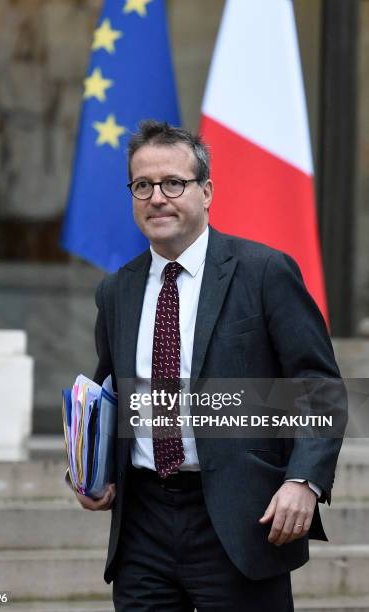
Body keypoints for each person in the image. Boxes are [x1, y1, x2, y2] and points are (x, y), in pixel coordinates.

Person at [73, 120, 345, 611]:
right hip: (143, 528)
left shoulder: (265, 272)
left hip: (242, 520)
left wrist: (303, 480)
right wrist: (89, 470)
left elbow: (318, 385)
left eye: (174, 183)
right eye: (143, 185)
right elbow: (108, 394)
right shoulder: (117, 291)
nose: (157, 197)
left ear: (207, 191)